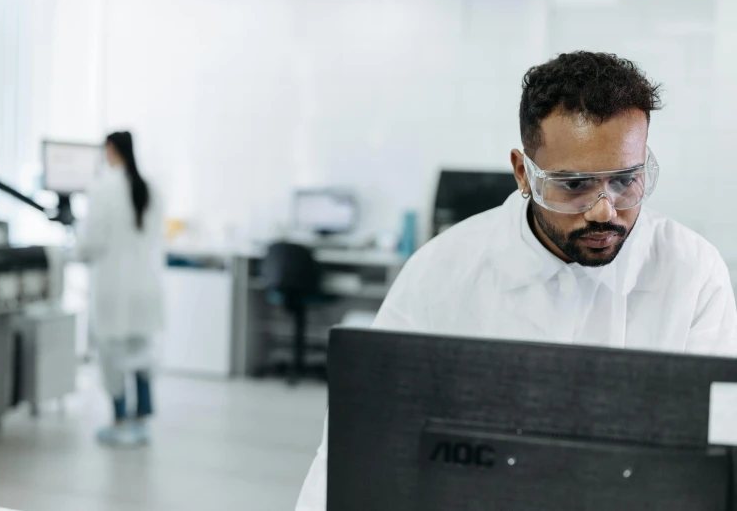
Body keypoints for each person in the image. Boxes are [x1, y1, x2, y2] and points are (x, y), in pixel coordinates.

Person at [295, 51, 737, 510]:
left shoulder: (692, 272)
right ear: (524, 172)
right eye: (574, 185)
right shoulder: (442, 272)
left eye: (626, 180)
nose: (605, 210)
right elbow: (360, 442)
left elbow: (719, 453)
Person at [75, 131, 165, 448]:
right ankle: (142, 418)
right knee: (142, 354)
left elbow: (90, 243)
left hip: (115, 288)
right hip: (145, 285)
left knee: (112, 357)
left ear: (111, 149)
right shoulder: (151, 187)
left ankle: (119, 418)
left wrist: (75, 244)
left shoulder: (105, 187)